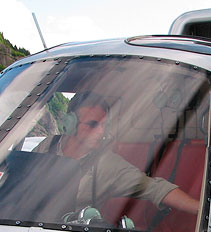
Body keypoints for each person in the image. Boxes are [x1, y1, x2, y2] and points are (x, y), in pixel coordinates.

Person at [35, 92, 200, 219]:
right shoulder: (46, 145)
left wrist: (201, 210)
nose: (101, 132)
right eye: (93, 125)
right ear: (69, 124)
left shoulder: (107, 164)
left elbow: (155, 188)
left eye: (104, 125)